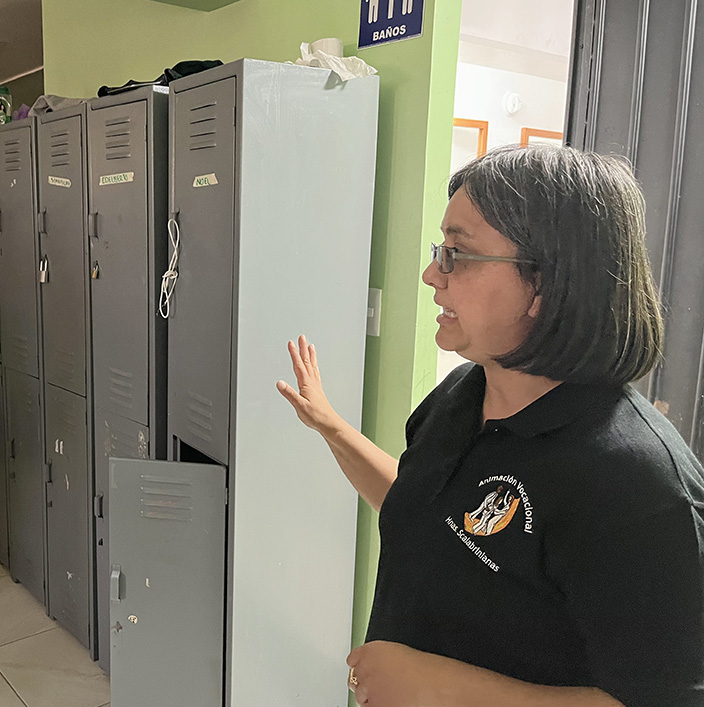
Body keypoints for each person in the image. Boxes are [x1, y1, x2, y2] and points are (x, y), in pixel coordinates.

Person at [277, 145, 704, 707]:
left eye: (459, 253)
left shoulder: (634, 482)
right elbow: (432, 516)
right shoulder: (463, 394)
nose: (433, 274)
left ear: (545, 284)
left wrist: (438, 688)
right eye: (441, 249)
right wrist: (332, 427)